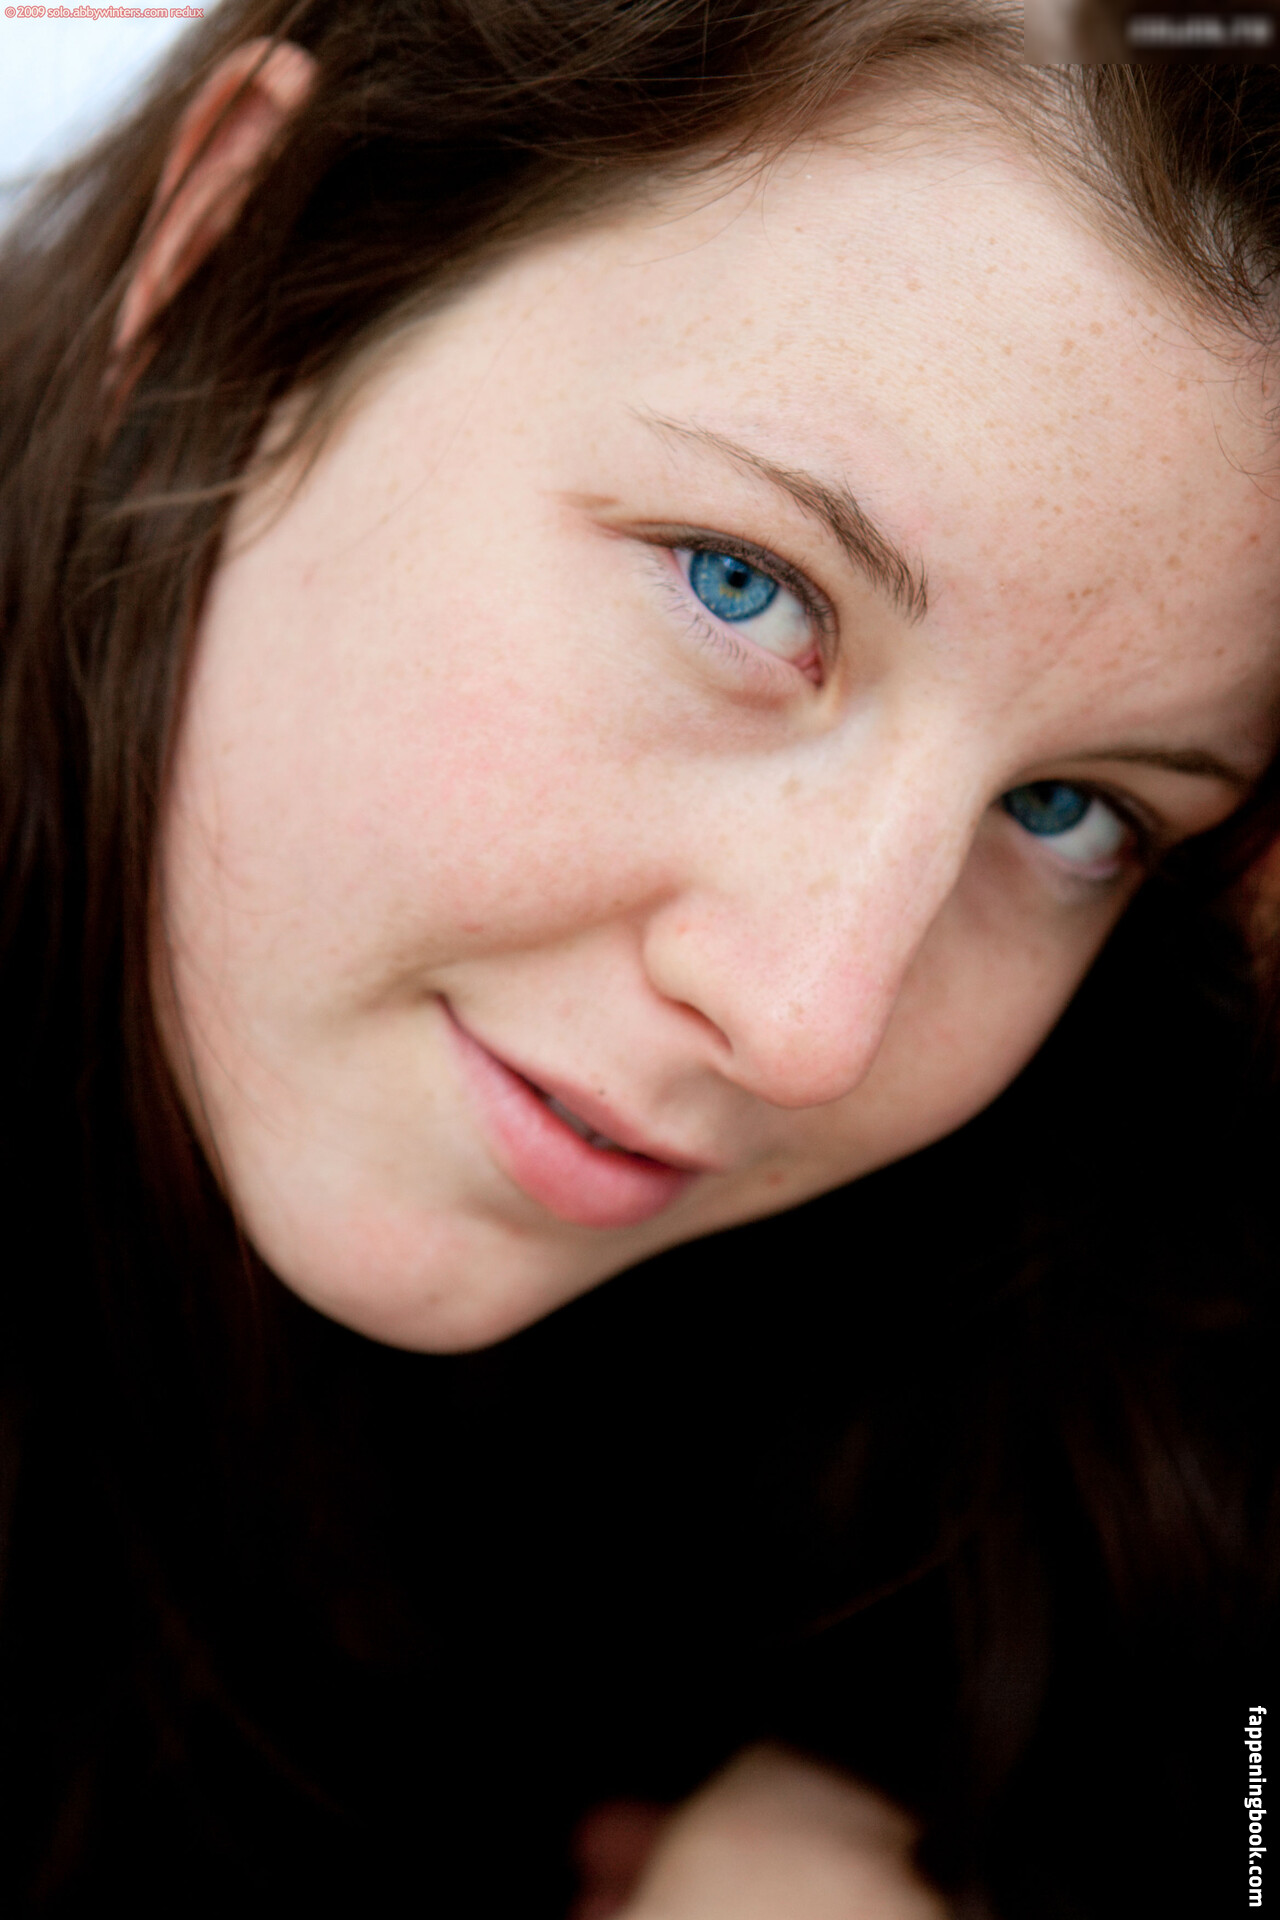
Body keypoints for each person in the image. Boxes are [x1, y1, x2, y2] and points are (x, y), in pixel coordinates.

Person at [0, 3, 1278, 1913]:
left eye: (1072, 809)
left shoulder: (1049, 1326)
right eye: (741, 584)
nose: (812, 1025)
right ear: (231, 248)